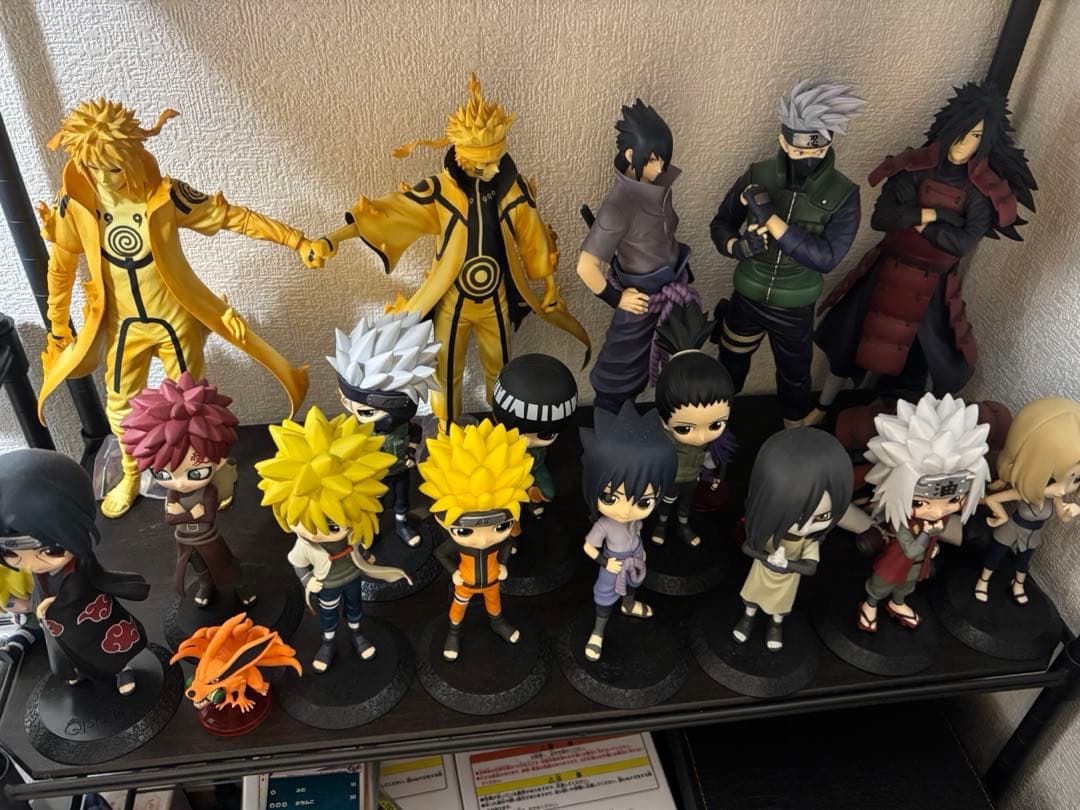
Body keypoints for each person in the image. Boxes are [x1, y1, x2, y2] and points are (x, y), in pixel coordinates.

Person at [36, 99, 312, 517]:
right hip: (124, 326)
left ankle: (205, 472)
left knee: (191, 406)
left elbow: (229, 216)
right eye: (93, 168)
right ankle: (132, 473)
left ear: (133, 156)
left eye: (114, 168)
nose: (105, 179)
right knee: (119, 404)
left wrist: (296, 241)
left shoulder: (166, 196)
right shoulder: (76, 205)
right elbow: (61, 267)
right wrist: (58, 324)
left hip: (174, 322)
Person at [312, 73, 589, 427]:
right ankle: (445, 433)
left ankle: (501, 433)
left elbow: (532, 235)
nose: (493, 168)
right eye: (483, 162)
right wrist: (334, 238)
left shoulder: (511, 187)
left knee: (501, 372)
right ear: (461, 155)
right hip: (452, 300)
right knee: (444, 374)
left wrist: (549, 285)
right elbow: (389, 211)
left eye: (497, 158)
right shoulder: (440, 192)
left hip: (496, 299)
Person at [814, 82, 1037, 411]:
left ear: (985, 140)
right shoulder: (913, 168)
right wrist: (935, 215)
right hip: (885, 269)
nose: (964, 142)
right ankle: (822, 406)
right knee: (846, 340)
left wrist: (918, 221)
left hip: (934, 286)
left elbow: (962, 242)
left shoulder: (980, 193)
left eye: (975, 135)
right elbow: (883, 217)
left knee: (932, 355)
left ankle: (901, 411)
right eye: (962, 131)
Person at [710, 79, 865, 427]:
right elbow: (721, 224)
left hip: (795, 304)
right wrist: (738, 247)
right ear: (783, 141)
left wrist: (773, 220)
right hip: (747, 295)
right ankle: (713, 434)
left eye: (817, 151)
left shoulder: (844, 193)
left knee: (795, 379)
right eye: (799, 150)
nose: (807, 160)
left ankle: (793, 436)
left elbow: (827, 258)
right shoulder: (758, 174)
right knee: (728, 369)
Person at [255, 407, 411, 672]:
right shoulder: (306, 545)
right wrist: (308, 580)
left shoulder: (353, 529)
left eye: (333, 525)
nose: (318, 531)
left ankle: (357, 635)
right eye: (304, 521)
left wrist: (366, 555)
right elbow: (297, 562)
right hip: (326, 583)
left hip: (352, 577)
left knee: (355, 608)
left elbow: (357, 542)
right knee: (328, 614)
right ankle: (328, 643)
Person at [577, 99, 699, 414]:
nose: (660, 169)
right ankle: (608, 422)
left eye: (664, 160)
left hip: (671, 289)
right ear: (632, 155)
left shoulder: (658, 186)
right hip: (641, 300)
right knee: (620, 372)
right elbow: (586, 266)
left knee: (680, 358)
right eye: (653, 160)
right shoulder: (619, 205)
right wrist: (617, 298)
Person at [0, 449, 150, 694]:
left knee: (111, 647)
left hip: (92, 616)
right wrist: (38, 608)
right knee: (71, 653)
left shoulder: (81, 565)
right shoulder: (38, 573)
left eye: (50, 551)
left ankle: (123, 670)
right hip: (62, 626)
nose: (32, 563)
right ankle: (79, 671)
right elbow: (38, 592)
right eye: (11, 554)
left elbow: (89, 583)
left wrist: (50, 604)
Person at [855, 394, 990, 632]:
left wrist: (932, 543)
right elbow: (910, 548)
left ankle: (898, 603)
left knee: (907, 586)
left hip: (919, 563)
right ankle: (870, 604)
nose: (937, 510)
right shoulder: (903, 520)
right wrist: (928, 535)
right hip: (896, 560)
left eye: (954, 500)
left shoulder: (939, 517)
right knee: (881, 585)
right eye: (921, 502)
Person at [122, 373, 254, 608]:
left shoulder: (208, 492)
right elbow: (170, 518)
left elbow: (208, 515)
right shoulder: (173, 493)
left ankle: (240, 587)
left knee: (224, 566)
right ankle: (206, 587)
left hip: (209, 538)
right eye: (164, 475)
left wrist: (185, 514)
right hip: (184, 540)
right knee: (198, 568)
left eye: (195, 473)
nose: (181, 483)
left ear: (219, 461)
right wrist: (191, 514)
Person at [417, 420, 534, 661]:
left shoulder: (501, 540)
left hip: (492, 580)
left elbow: (508, 545)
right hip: (465, 583)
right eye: (465, 531)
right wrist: (454, 572)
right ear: (441, 520)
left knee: (495, 604)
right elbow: (441, 552)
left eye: (500, 526)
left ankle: (498, 623)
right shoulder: (457, 544)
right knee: (458, 607)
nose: (482, 539)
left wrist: (503, 564)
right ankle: (453, 633)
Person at [327, 310, 441, 546]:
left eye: (367, 412)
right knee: (374, 502)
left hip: (400, 469)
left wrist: (411, 454)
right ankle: (373, 527)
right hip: (372, 474)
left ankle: (401, 525)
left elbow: (415, 432)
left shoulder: (403, 424)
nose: (386, 420)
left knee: (401, 500)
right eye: (368, 412)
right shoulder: (358, 429)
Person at [579, 401, 677, 661]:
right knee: (604, 596)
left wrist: (641, 552)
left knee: (634, 584)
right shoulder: (604, 524)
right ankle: (598, 632)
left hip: (635, 558)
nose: (626, 511)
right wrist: (605, 562)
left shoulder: (635, 521)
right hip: (613, 563)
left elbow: (637, 530)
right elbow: (588, 547)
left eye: (643, 502)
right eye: (611, 498)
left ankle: (629, 605)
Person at [977, 398, 1080, 605]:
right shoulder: (1023, 493)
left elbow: (1062, 516)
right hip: (1012, 529)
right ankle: (983, 580)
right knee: (996, 555)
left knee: (1023, 562)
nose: (1062, 489)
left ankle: (1018, 584)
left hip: (1033, 535)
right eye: (1052, 479)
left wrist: (1070, 512)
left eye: (1076, 480)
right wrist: (1001, 516)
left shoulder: (1056, 497)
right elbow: (993, 499)